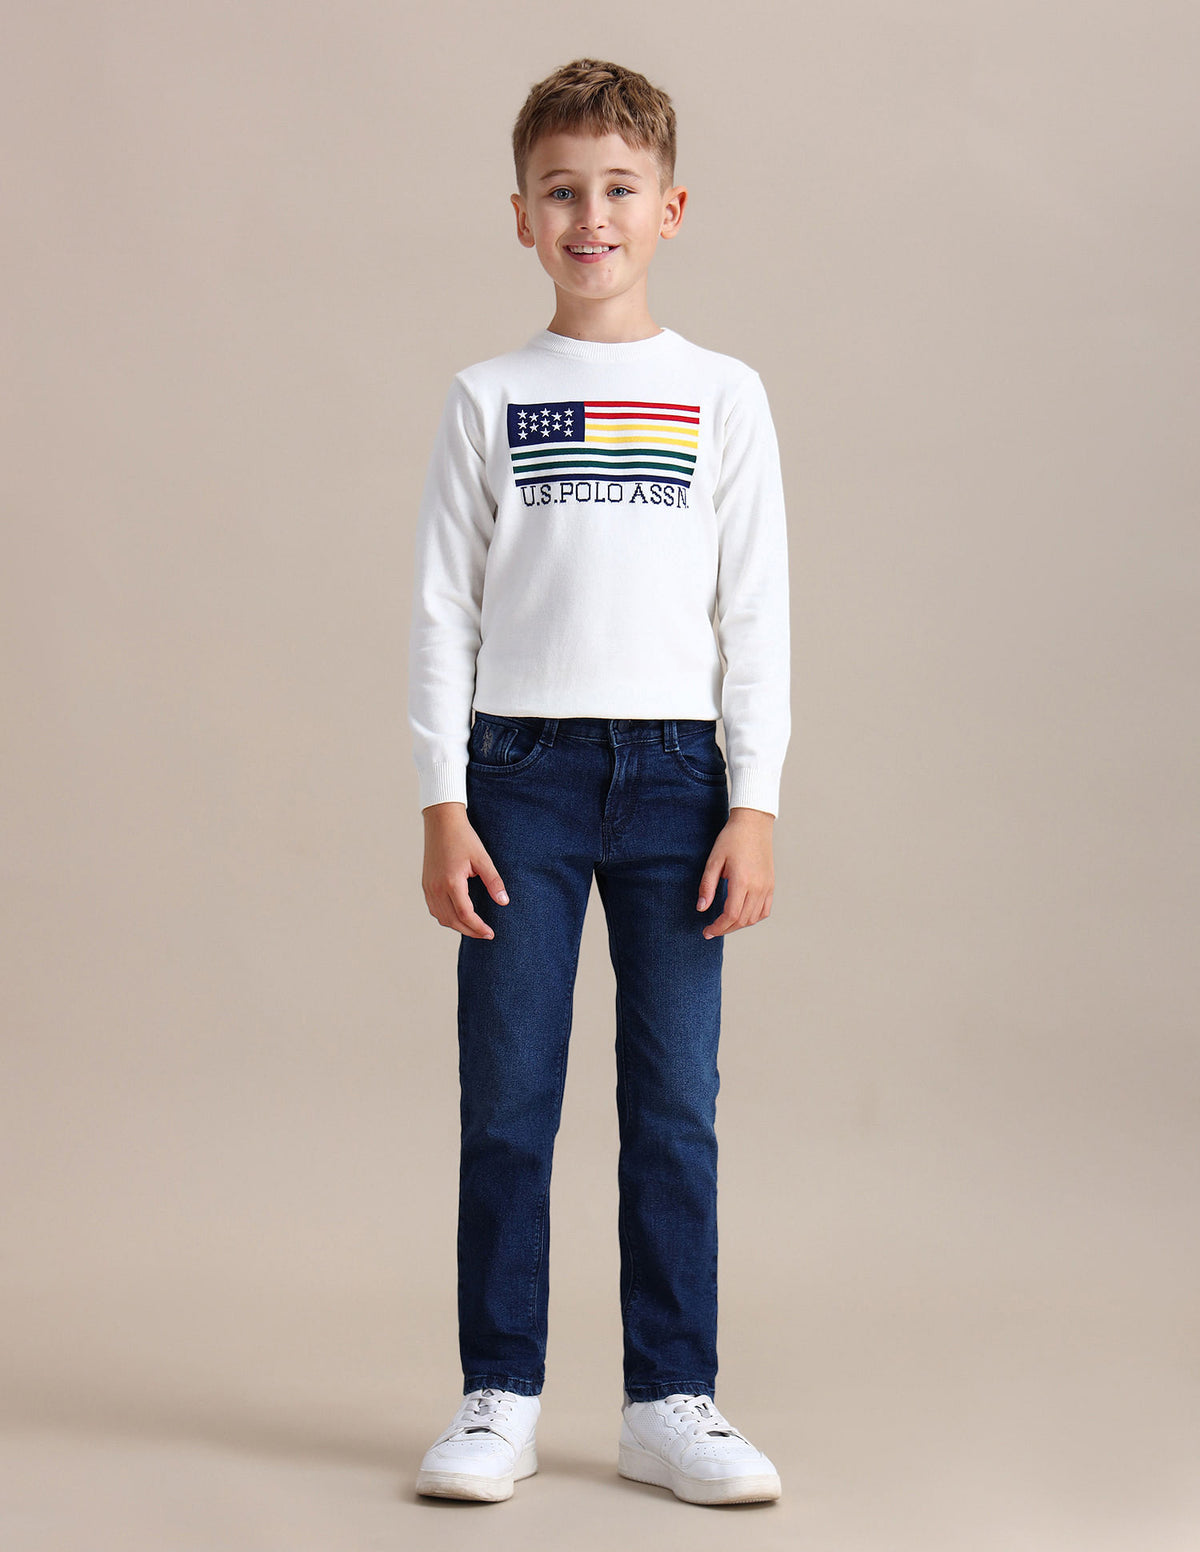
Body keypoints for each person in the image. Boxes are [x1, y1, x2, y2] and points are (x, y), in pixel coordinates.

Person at [408, 57, 790, 1507]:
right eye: (561, 191)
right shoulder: (489, 398)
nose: (592, 216)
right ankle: (499, 1392)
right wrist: (442, 799)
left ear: (670, 208)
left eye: (620, 189)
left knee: (675, 1103)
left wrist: (754, 801)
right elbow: (443, 613)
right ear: (522, 214)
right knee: (509, 1100)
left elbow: (756, 614)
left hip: (681, 782)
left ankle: (669, 1398)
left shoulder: (721, 396)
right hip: (519, 778)